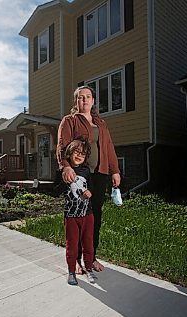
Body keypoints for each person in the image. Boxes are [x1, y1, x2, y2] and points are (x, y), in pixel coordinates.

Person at [57, 85, 121, 274]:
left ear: (93, 101)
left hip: (100, 174)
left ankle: (91, 258)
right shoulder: (69, 121)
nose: (84, 100)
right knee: (76, 217)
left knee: (94, 218)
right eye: (80, 97)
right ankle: (74, 260)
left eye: (88, 97)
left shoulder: (101, 123)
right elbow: (62, 145)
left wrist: (115, 170)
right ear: (76, 102)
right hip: (79, 175)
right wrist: (66, 166)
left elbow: (108, 147)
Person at [61, 139, 96, 285]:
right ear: (69, 153)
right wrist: (64, 179)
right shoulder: (64, 172)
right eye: (77, 152)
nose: (80, 155)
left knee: (88, 243)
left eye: (83, 153)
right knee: (72, 245)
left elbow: (91, 189)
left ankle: (88, 268)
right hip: (71, 216)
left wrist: (89, 192)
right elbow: (58, 190)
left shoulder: (86, 171)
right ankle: (71, 271)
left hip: (87, 214)